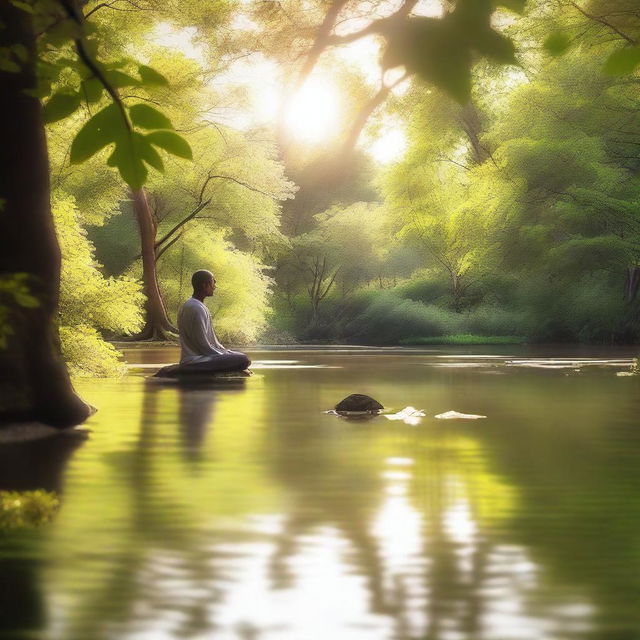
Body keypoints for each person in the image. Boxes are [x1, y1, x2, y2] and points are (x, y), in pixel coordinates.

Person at [176, 270, 251, 374]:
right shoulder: (195, 308)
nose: (215, 286)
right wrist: (223, 356)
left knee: (238, 356)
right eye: (213, 283)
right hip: (196, 360)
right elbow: (203, 345)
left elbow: (213, 343)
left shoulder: (194, 305)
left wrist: (226, 353)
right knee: (243, 359)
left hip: (204, 357)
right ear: (204, 285)